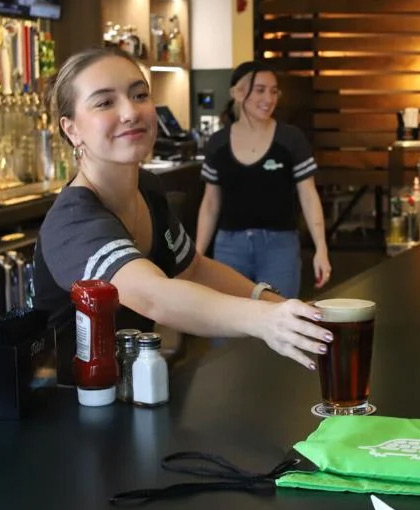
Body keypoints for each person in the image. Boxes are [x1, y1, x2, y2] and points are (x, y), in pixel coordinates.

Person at [33, 47, 332, 371]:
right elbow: (154, 297)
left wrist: (278, 304)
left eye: (139, 95)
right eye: (105, 102)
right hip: (61, 404)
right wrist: (265, 320)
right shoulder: (73, 220)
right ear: (71, 128)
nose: (130, 112)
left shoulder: (147, 188)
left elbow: (195, 269)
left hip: (124, 386)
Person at [196, 60, 331, 298]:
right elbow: (210, 204)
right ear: (238, 92)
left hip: (280, 247)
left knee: (281, 323)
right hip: (229, 247)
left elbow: (309, 197)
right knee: (227, 325)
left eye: (273, 90)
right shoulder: (217, 143)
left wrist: (321, 248)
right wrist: (196, 255)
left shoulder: (291, 139)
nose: (269, 99)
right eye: (259, 90)